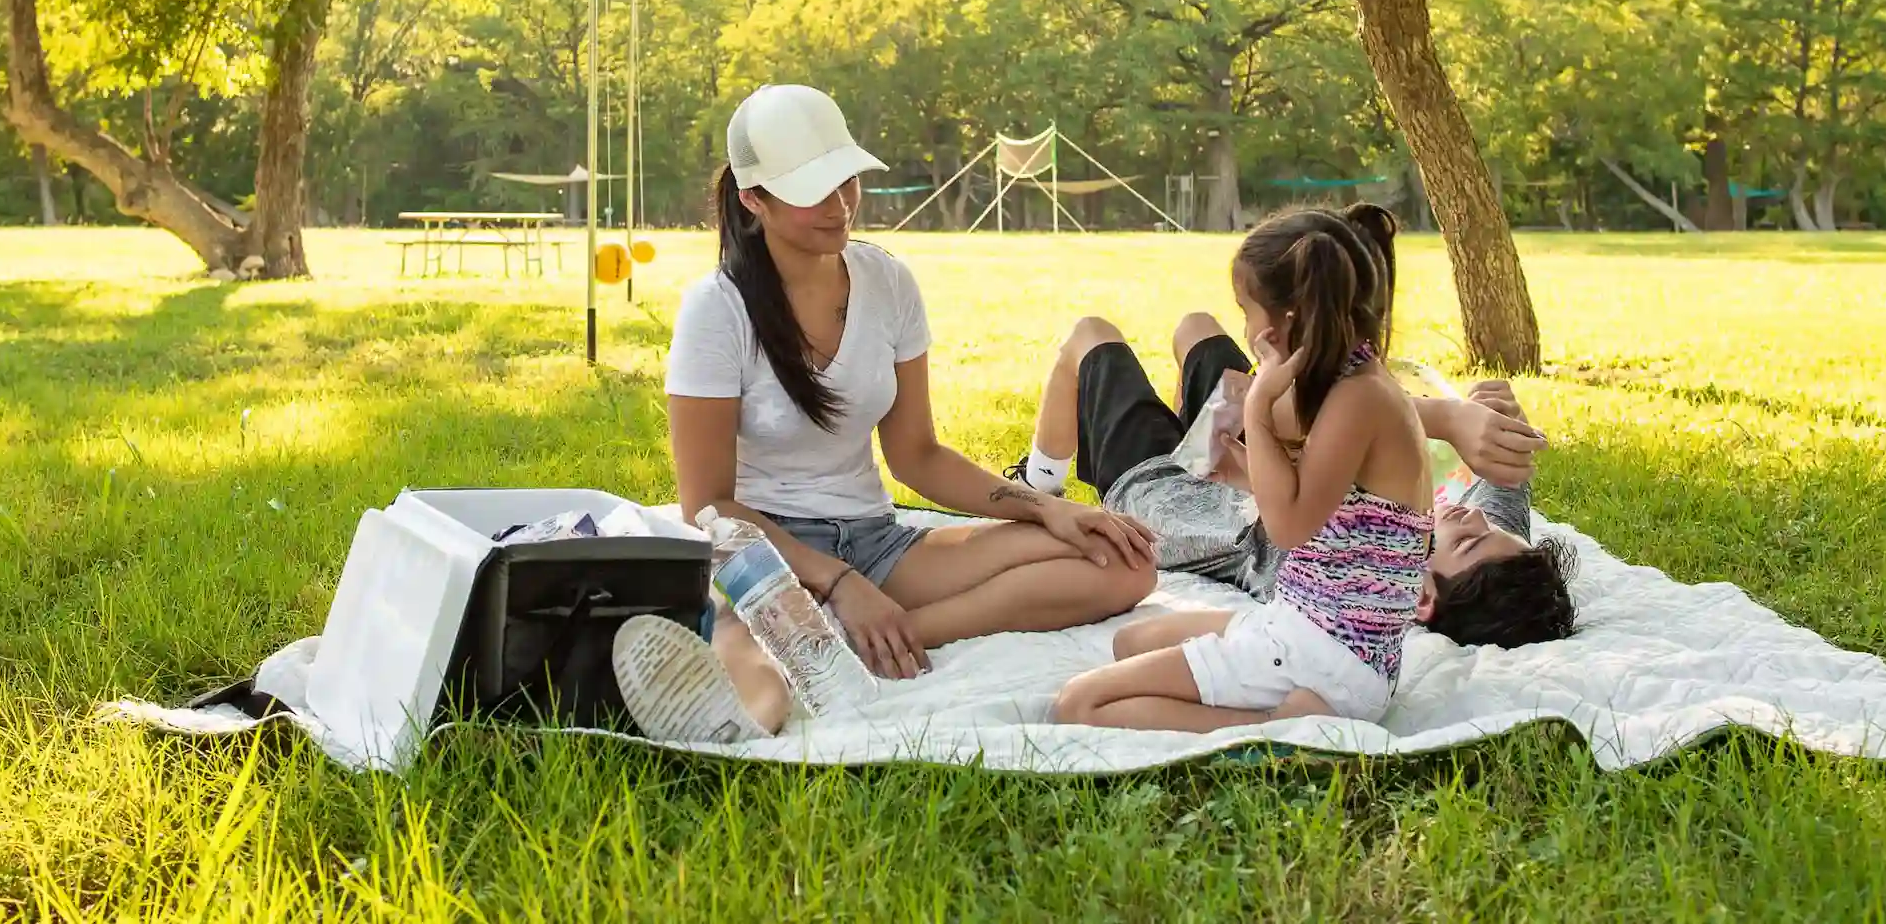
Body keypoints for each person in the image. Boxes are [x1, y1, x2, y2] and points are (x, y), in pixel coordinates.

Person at [614, 84, 1160, 743]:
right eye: (814, 190)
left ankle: (856, 636)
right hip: (763, 548)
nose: (841, 205)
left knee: (1122, 563)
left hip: (875, 540)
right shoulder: (717, 309)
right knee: (765, 696)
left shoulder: (888, 282)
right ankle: (753, 654)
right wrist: (836, 581)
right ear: (754, 199)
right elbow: (709, 507)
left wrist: (1046, 507)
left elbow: (917, 456)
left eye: (847, 182)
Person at [1053, 206, 1576, 731]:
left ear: (1286, 320)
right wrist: (1240, 459)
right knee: (1129, 643)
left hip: (1321, 657)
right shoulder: (1348, 384)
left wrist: (1257, 412)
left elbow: (1288, 526)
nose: (1246, 327)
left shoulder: (1361, 399)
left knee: (1079, 702)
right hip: (1309, 628)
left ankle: (1279, 724)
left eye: (1247, 310)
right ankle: (1289, 705)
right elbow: (1320, 505)